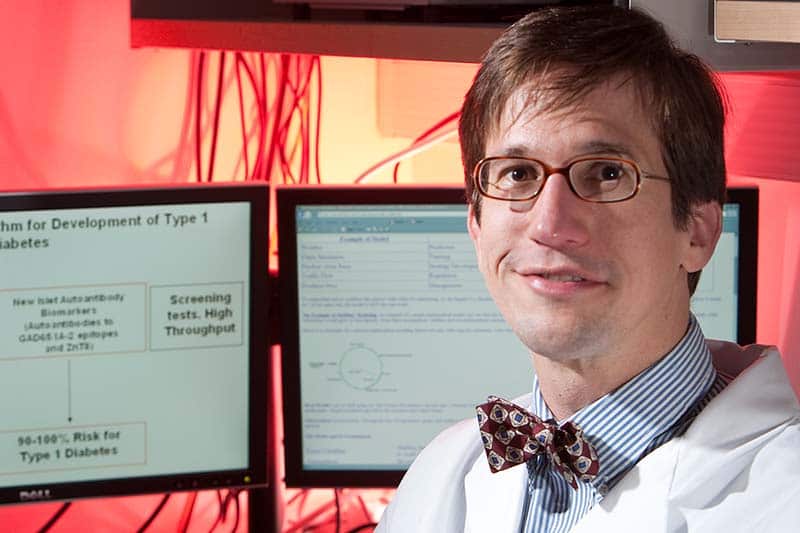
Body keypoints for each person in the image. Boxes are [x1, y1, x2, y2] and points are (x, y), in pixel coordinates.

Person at [376, 5, 800, 532]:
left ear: (697, 231)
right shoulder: (440, 473)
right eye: (517, 172)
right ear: (477, 225)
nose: (550, 223)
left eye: (605, 173)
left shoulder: (786, 497)